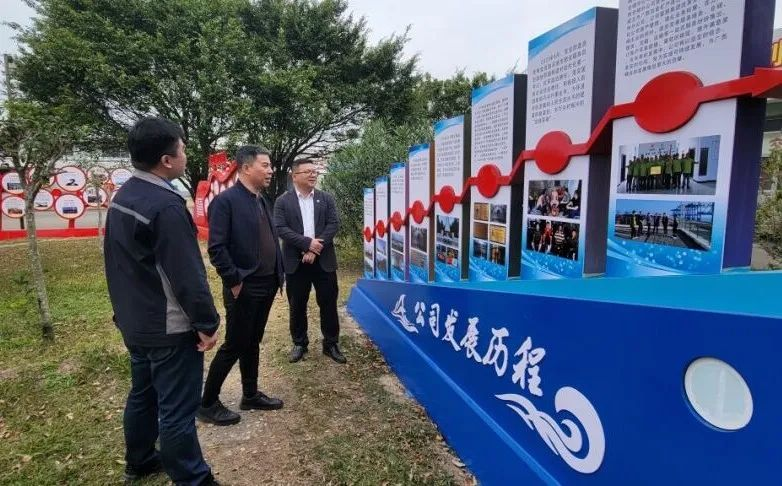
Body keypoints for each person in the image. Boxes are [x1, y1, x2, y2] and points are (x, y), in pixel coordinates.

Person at [104, 117, 221, 486]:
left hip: (135, 322)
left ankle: (139, 461)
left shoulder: (125, 195)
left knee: (143, 395)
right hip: (168, 328)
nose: (186, 155)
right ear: (167, 160)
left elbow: (117, 263)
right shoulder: (166, 206)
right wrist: (206, 323)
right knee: (177, 409)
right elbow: (187, 275)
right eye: (183, 149)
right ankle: (193, 478)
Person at [198, 145, 285, 426]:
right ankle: (207, 402)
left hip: (267, 283)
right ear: (246, 168)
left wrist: (278, 274)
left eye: (270, 165)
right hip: (245, 287)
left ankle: (250, 394)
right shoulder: (225, 202)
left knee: (252, 341)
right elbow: (217, 248)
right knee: (235, 344)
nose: (270, 170)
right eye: (265, 165)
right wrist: (235, 281)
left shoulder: (261, 199)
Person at [274, 159, 345, 364]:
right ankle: (299, 343)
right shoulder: (283, 201)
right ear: (294, 176)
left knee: (328, 303)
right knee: (297, 304)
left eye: (315, 171)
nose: (313, 175)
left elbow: (333, 224)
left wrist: (315, 248)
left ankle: (331, 343)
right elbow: (281, 228)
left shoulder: (326, 198)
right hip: (295, 262)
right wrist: (307, 244)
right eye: (308, 172)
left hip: (324, 261)